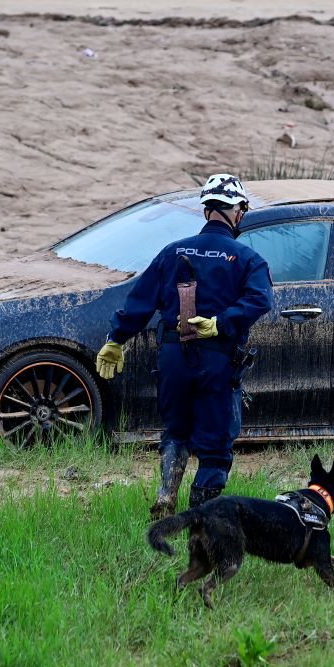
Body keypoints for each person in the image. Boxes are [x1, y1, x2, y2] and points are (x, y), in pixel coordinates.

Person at [95, 174, 273, 520]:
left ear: (206, 210)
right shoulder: (248, 259)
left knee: (176, 431)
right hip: (217, 362)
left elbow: (140, 301)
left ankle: (166, 495)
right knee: (215, 449)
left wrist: (115, 340)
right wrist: (221, 322)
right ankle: (198, 519)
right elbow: (260, 300)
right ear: (238, 212)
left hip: (173, 359)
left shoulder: (172, 252)